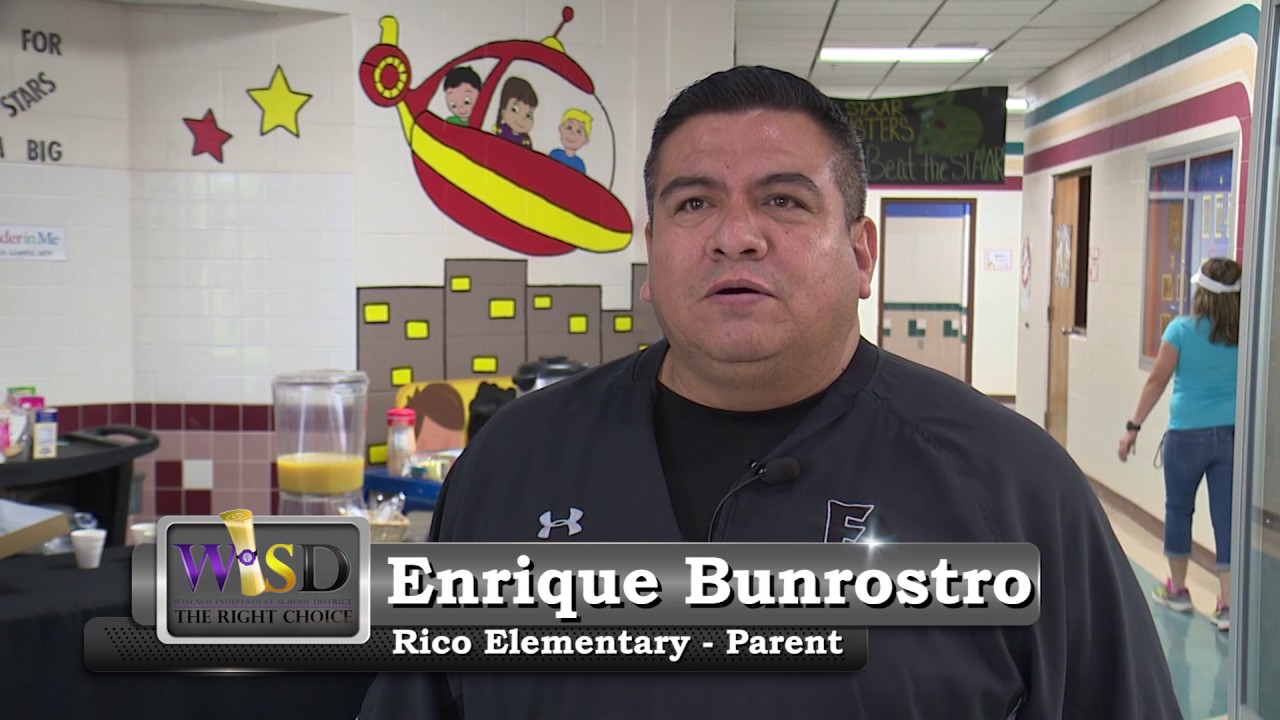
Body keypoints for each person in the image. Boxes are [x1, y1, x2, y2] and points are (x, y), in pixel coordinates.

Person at [360, 65, 1181, 719]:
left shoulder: (1012, 489)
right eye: (694, 204)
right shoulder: (512, 464)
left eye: (784, 201)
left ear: (861, 254)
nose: (735, 236)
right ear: (652, 255)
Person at [1118, 257, 1241, 632]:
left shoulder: (1181, 330)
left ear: (1200, 291)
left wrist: (1133, 427)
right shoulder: (1246, 335)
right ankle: (1228, 605)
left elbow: (1156, 381)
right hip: (1232, 436)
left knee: (1178, 510)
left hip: (1186, 436)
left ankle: (1178, 590)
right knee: (1227, 520)